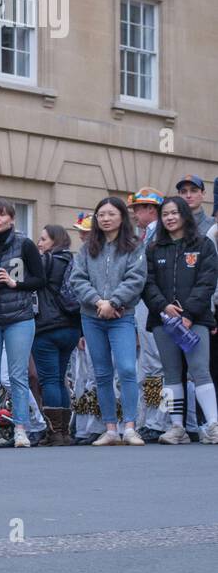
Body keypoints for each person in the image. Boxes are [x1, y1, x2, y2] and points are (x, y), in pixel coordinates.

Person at [68, 196, 148, 446]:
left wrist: (112, 302)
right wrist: (98, 302)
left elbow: (136, 279)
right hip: (91, 317)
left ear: (122, 217)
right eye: (101, 214)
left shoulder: (134, 247)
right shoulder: (86, 248)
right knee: (101, 373)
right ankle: (111, 428)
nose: (105, 218)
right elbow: (77, 280)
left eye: (111, 214)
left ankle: (131, 427)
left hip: (121, 316)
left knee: (126, 368)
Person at [142, 197, 218, 444]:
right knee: (170, 374)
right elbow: (147, 283)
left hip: (195, 320)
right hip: (163, 320)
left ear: (184, 215)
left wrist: (188, 314)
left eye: (174, 213)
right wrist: (163, 306)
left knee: (200, 371)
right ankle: (176, 428)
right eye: (165, 214)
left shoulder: (204, 244)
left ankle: (214, 425)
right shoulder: (153, 249)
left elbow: (207, 282)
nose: (170, 218)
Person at [0, 199, 45, 449]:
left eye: (2, 215)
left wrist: (16, 284)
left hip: (20, 317)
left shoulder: (25, 245)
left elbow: (40, 280)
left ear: (12, 219)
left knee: (18, 376)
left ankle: (21, 429)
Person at [30, 224, 80, 446]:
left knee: (49, 380)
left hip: (46, 327)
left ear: (55, 241)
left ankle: (54, 433)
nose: (39, 243)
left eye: (43, 239)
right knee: (60, 379)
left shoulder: (44, 262)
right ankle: (65, 432)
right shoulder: (73, 261)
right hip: (70, 327)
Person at [128, 187, 169, 443]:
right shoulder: (145, 235)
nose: (134, 213)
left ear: (151, 209)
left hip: (153, 303)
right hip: (144, 303)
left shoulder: (156, 235)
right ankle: (149, 418)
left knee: (156, 363)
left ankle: (158, 420)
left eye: (138, 208)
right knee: (148, 363)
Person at [175, 174, 216, 241]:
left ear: (203, 194)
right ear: (179, 195)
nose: (188, 195)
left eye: (193, 191)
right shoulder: (171, 224)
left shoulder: (213, 225)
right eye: (184, 191)